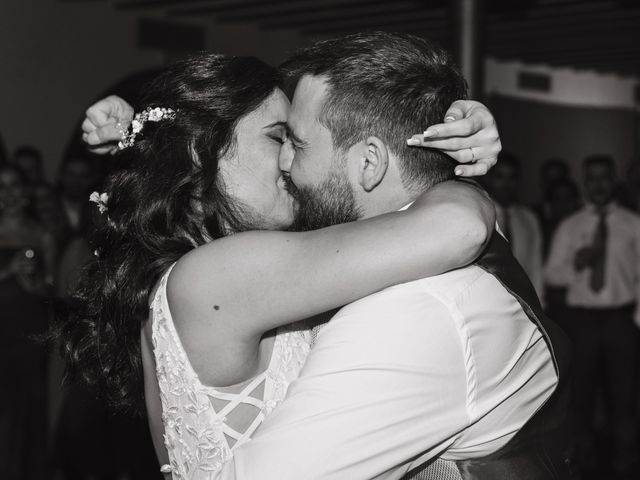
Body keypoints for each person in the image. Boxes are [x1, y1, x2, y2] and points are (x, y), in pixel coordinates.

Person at [59, 50, 502, 478]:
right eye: (277, 137)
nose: (292, 160)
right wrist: (454, 170)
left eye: (297, 140)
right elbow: (459, 228)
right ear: (200, 150)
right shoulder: (217, 275)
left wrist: (438, 137)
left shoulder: (212, 270)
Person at [208, 32, 572, 480]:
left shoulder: (411, 312)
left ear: (369, 163)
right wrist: (460, 182)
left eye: (298, 144)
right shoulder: (446, 236)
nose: (284, 164)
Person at [546, 154, 640, 477]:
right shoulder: (571, 226)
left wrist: (635, 321)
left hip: (620, 320)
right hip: (582, 320)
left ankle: (624, 465)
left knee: (624, 398)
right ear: (584, 182)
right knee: (581, 397)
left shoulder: (633, 224)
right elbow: (552, 274)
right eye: (592, 178)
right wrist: (576, 263)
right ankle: (582, 466)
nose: (598, 184)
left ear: (613, 181)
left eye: (604, 177)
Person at [0, 164, 54, 480]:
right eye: (1, 187)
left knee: (31, 406)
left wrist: (35, 285)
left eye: (14, 185)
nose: (8, 193)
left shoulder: (41, 232)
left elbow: (49, 286)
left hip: (30, 329)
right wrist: (9, 271)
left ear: (25, 192)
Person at [483, 152, 544, 297]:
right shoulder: (480, 214)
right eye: (500, 177)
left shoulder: (529, 218)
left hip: (523, 299)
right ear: (489, 178)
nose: (506, 184)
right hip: (487, 297)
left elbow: (535, 264)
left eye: (512, 178)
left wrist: (540, 302)